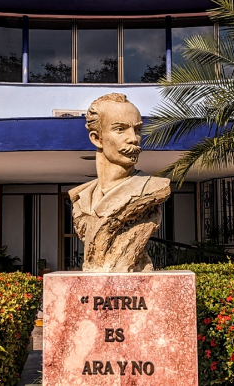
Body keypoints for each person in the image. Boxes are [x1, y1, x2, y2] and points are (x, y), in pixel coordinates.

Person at [69, 93, 171, 272]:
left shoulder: (151, 188)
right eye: (120, 129)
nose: (133, 138)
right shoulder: (81, 197)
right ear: (97, 138)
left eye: (137, 129)